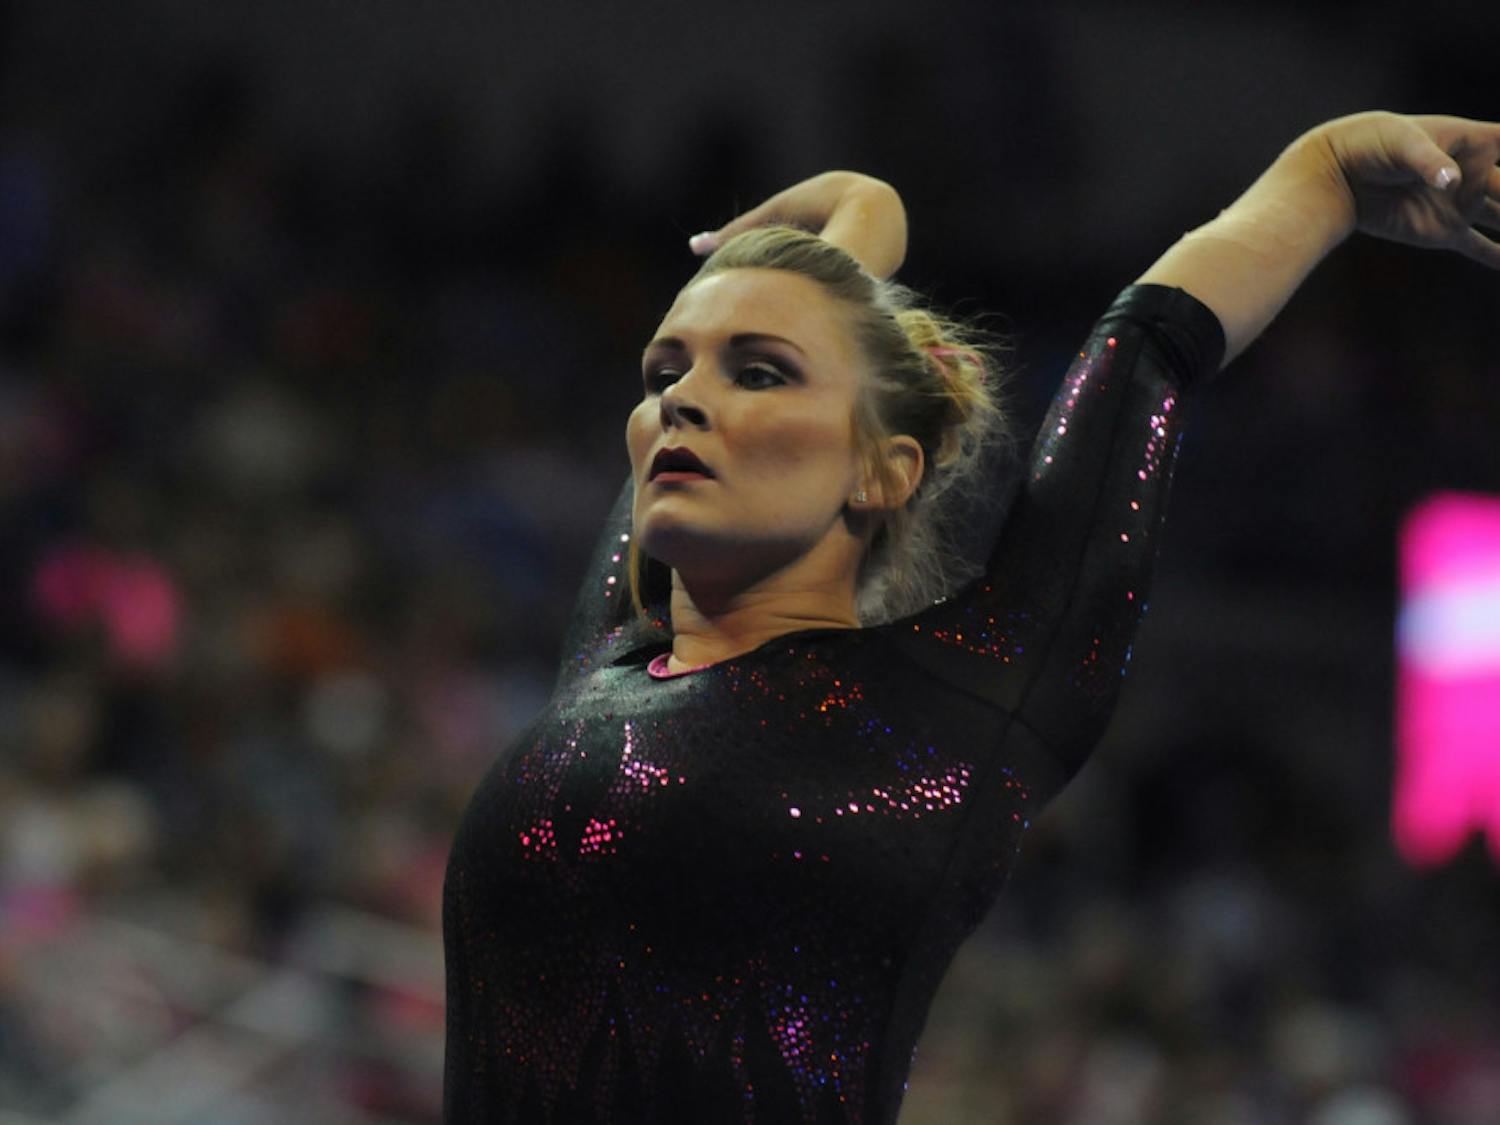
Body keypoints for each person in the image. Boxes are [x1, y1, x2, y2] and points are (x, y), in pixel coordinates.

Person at [441, 111, 1500, 1124]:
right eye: (663, 372)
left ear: (882, 470)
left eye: (759, 373)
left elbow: (1147, 351)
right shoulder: (608, 669)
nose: (680, 400)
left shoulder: (968, 696)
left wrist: (1321, 176)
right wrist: (864, 215)